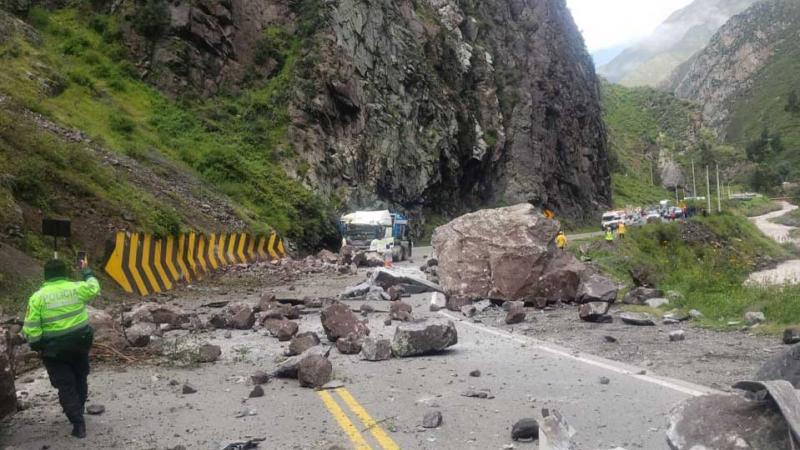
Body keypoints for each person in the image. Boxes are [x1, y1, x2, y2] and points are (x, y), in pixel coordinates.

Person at [23, 258, 100, 439]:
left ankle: (78, 423)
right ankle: (78, 409)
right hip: (80, 344)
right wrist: (86, 270)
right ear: (65, 273)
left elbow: (31, 328)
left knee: (65, 385)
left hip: (55, 351)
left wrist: (38, 346)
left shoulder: (37, 298)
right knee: (80, 378)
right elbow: (94, 287)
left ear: (46, 276)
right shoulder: (77, 288)